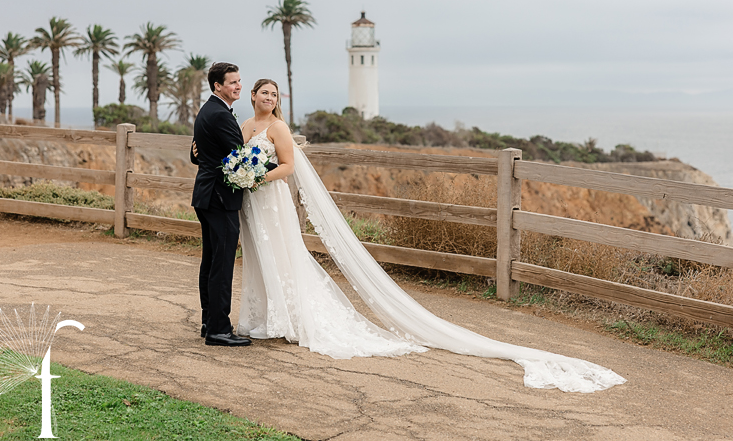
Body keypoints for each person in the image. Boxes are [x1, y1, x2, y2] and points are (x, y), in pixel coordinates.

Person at [230, 78, 626, 392]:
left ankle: (292, 318)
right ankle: (264, 317)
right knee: (260, 257)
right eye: (264, 92)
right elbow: (235, 155)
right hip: (253, 202)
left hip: (272, 197)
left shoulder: (279, 126)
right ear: (252, 96)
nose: (269, 97)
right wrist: (241, 175)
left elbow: (287, 166)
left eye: (274, 93)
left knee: (284, 254)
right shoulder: (247, 125)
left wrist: (258, 175)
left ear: (277, 99)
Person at [190, 62, 253, 347]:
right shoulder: (220, 115)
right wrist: (271, 168)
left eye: (239, 81)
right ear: (218, 86)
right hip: (219, 197)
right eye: (232, 82)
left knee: (212, 260)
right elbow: (238, 157)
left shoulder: (208, 110)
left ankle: (209, 321)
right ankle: (218, 329)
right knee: (222, 263)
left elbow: (199, 151)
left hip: (206, 194)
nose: (238, 86)